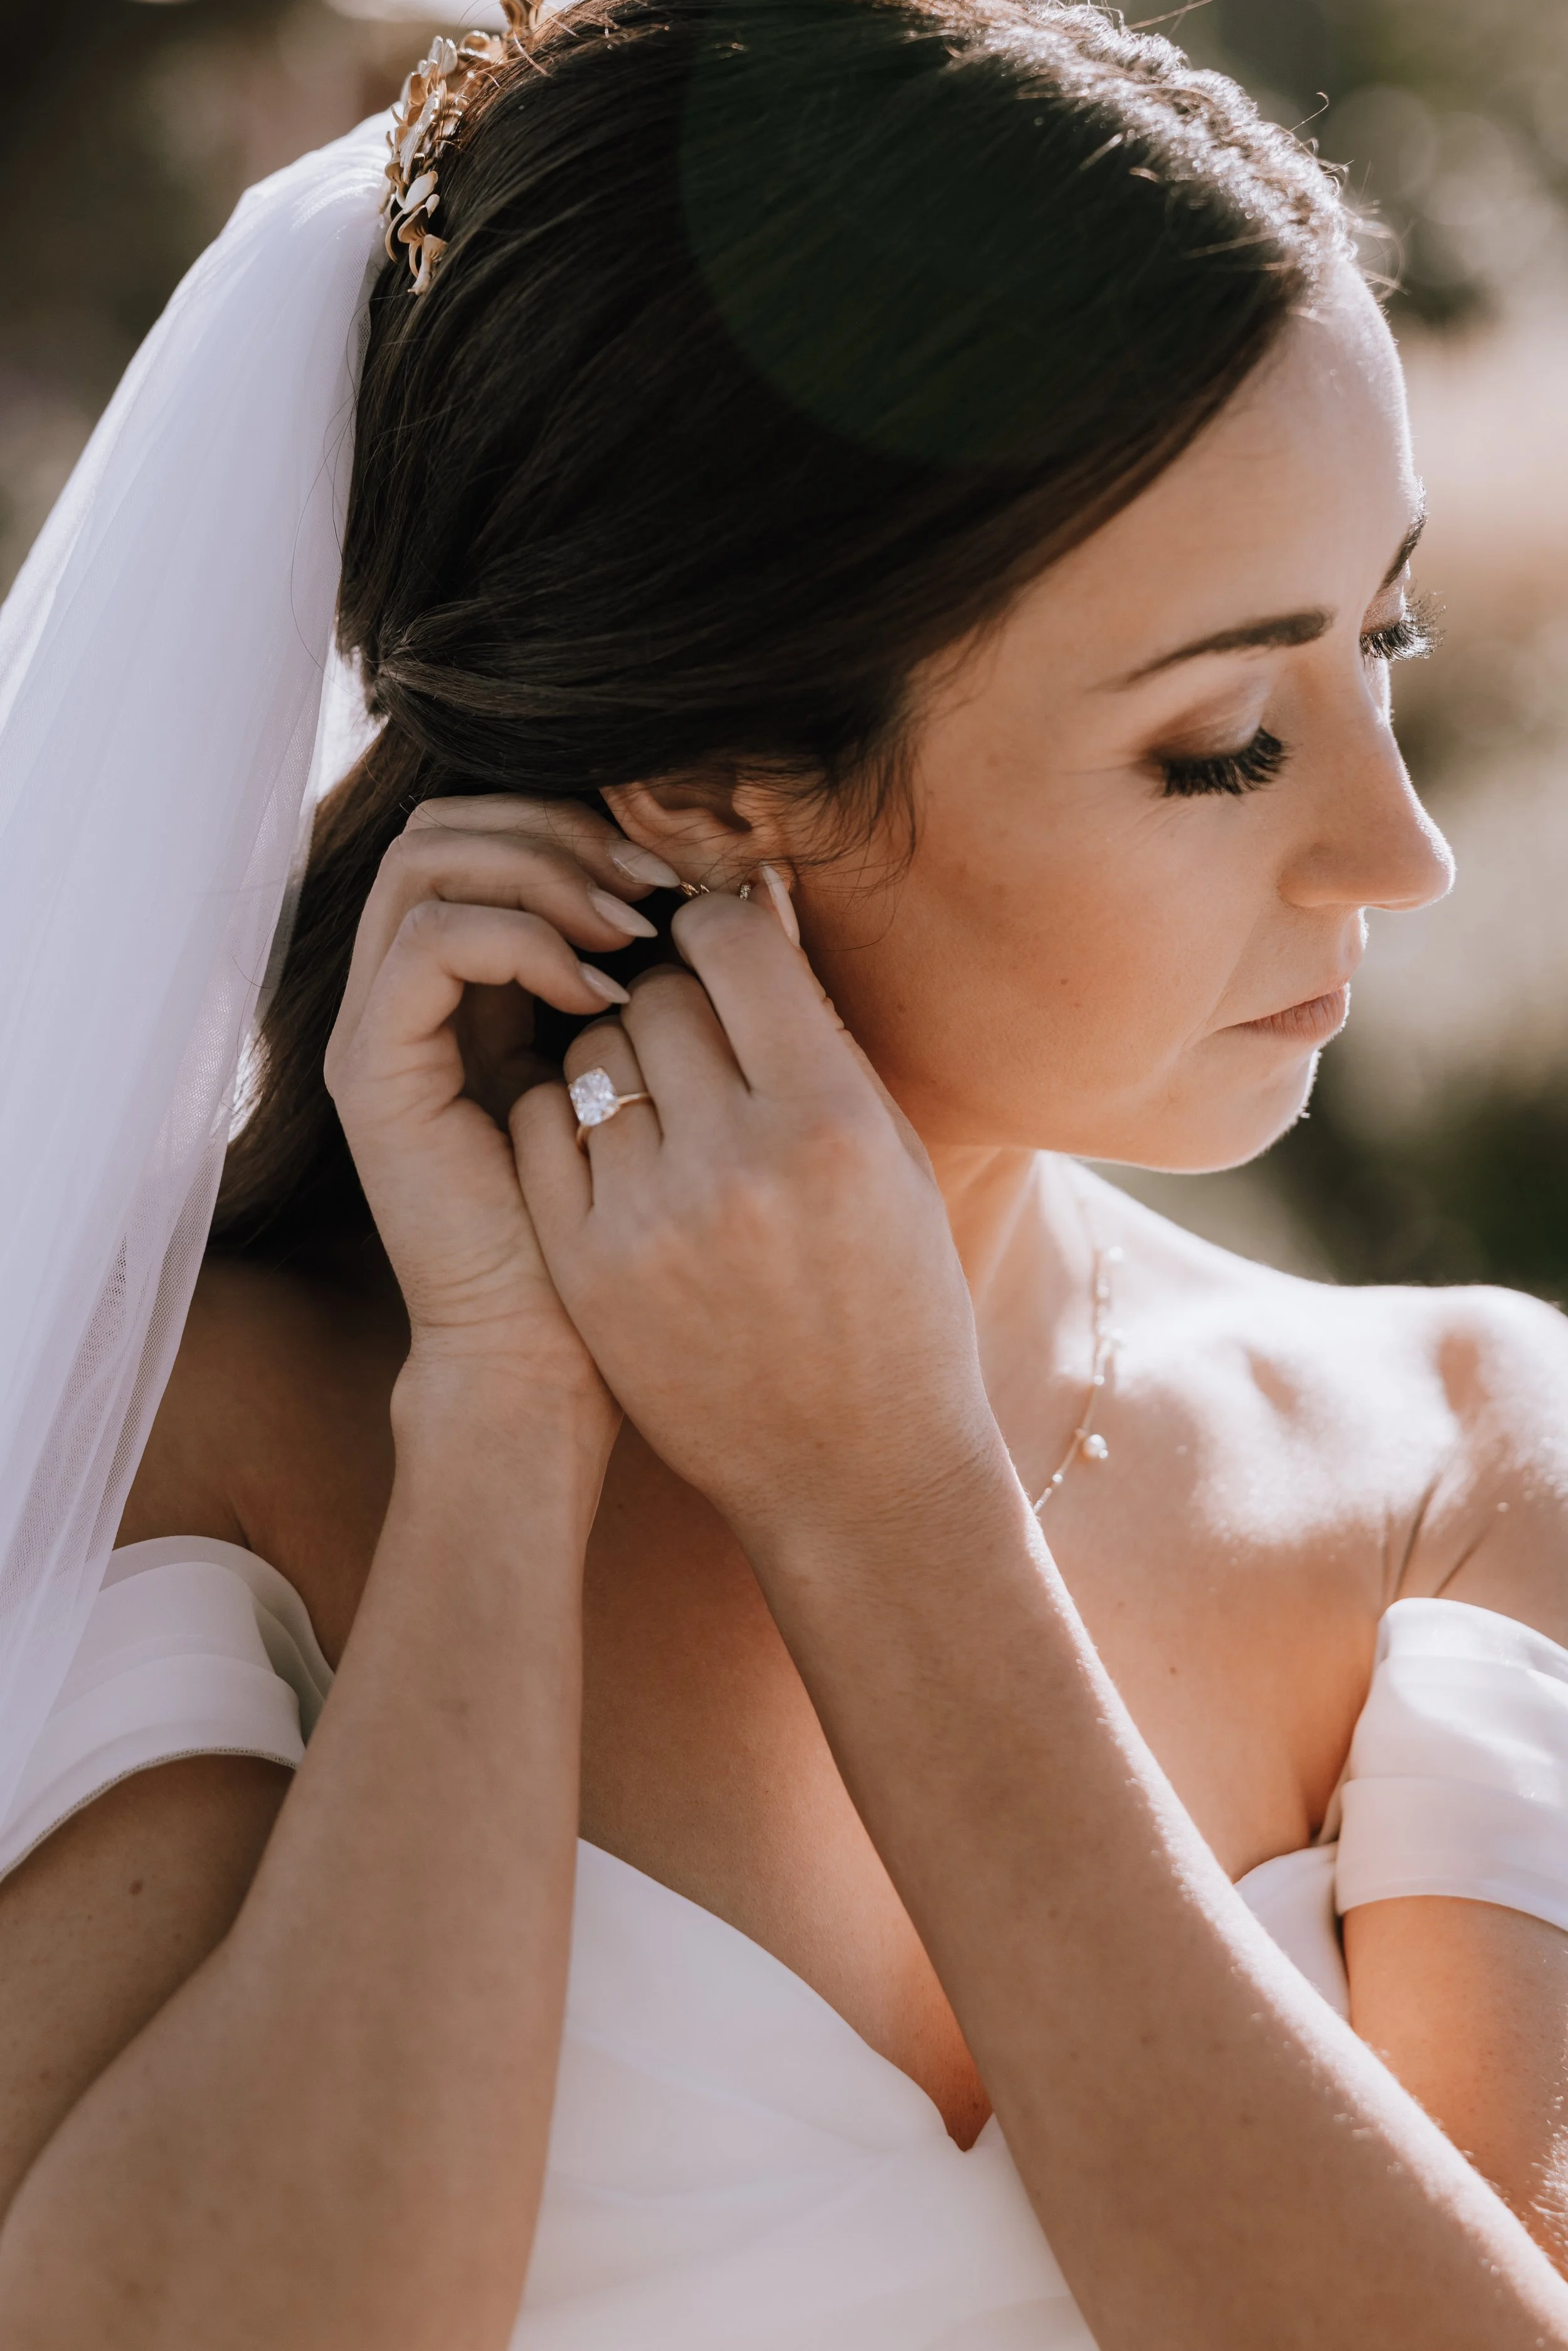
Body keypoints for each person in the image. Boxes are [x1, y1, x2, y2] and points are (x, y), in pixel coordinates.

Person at [1, 1, 1567, 2345]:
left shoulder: (1459, 1451)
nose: (1404, 850)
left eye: (1386, 636)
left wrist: (894, 1503)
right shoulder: (187, 1425)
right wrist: (503, 1432)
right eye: (1226, 745)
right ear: (716, 790)